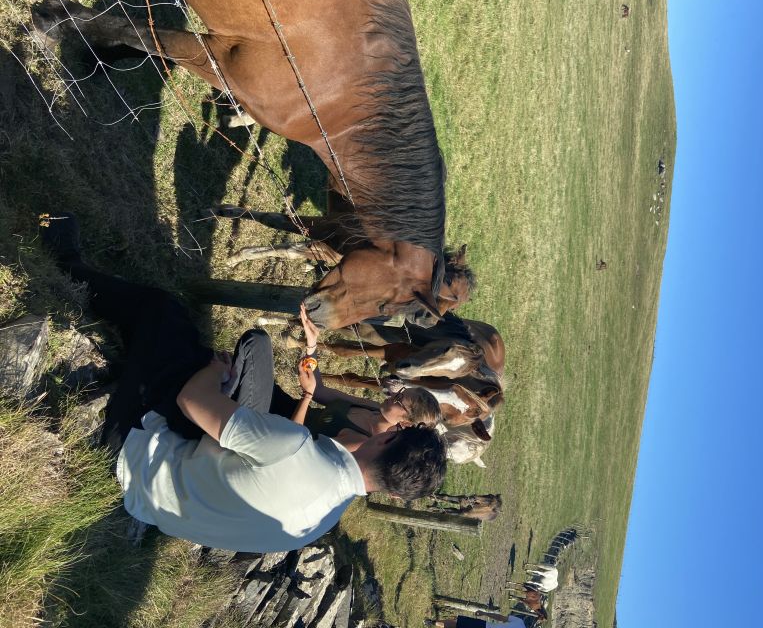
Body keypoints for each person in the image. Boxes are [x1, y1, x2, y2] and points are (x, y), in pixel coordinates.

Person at [41, 213, 447, 553]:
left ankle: (68, 263)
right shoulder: (318, 526)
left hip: (133, 451)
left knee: (161, 312)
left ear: (389, 439)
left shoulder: (295, 447)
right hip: (150, 503)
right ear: (392, 494)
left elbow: (190, 399)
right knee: (185, 347)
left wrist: (216, 375)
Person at [273, 305, 442, 452]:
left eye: (398, 399)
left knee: (254, 343)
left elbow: (298, 449)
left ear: (406, 424)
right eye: (400, 392)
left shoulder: (362, 443)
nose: (391, 395)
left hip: (275, 433)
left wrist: (307, 396)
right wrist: (312, 345)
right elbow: (320, 391)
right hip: (284, 407)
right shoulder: (374, 409)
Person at [424, 613, 527, 628]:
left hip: (484, 625)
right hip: (484, 625)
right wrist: (485, 613)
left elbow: (501, 618)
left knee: (457, 623)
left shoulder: (520, 622)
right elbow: (501, 618)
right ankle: (431, 622)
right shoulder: (520, 622)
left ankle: (431, 622)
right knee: (457, 623)